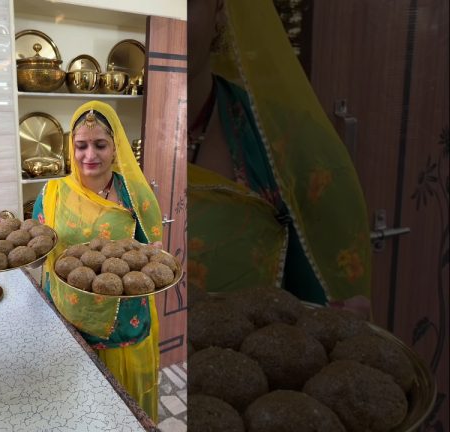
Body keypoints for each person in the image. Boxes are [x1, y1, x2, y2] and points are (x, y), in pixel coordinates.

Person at [187, 0, 372, 314]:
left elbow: (324, 304)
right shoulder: (99, 135)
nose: (155, 16)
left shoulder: (287, 144)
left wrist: (334, 324)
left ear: (219, 10)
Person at [33, 100, 165, 422]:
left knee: (120, 413)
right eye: (81, 146)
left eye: (100, 145)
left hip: (120, 324)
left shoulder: (135, 195)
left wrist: (155, 252)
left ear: (115, 146)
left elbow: (151, 257)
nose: (89, 155)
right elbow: (38, 254)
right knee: (77, 410)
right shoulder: (52, 192)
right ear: (72, 148)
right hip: (68, 316)